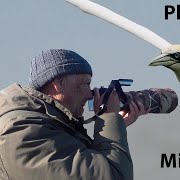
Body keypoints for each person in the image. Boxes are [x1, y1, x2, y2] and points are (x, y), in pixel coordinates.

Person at [0, 49, 149, 180]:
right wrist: (108, 118)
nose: (91, 95)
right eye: (86, 83)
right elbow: (111, 176)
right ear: (59, 83)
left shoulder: (51, 125)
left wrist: (114, 126)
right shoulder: (20, 130)